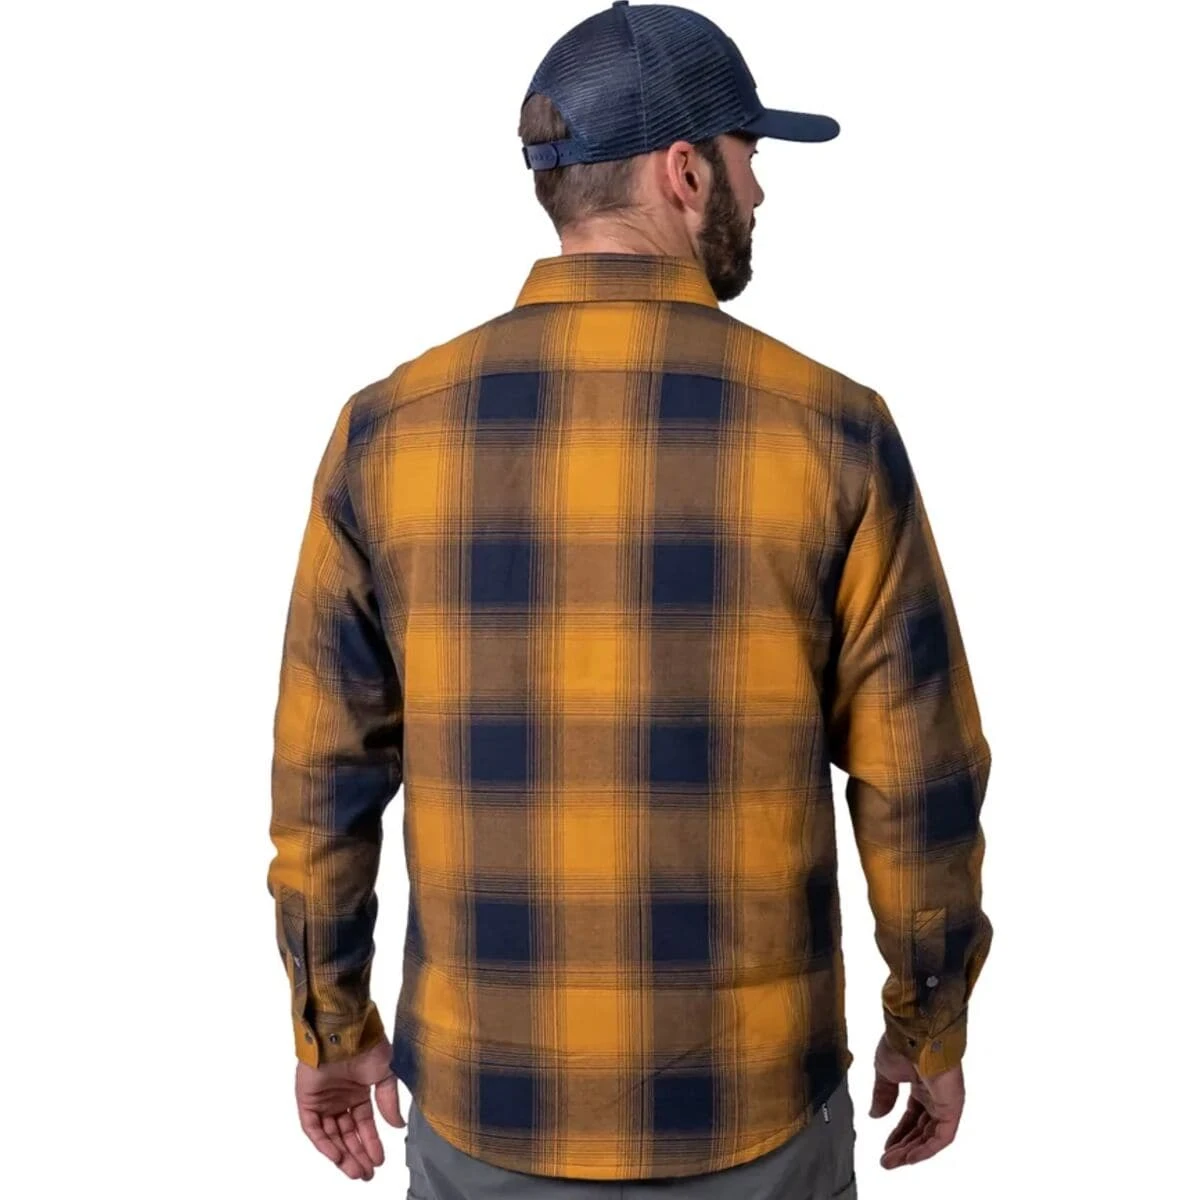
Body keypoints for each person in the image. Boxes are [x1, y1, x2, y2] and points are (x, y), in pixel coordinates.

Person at [266, 3, 993, 1197]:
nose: (762, 191)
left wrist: (329, 1026)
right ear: (685, 172)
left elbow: (320, 778)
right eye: (750, 157)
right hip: (756, 1111)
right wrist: (929, 1021)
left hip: (487, 1112)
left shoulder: (384, 435)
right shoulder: (835, 433)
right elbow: (919, 779)